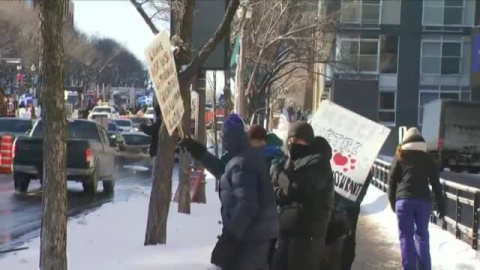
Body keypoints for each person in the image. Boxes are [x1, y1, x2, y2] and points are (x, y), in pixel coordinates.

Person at [181, 114, 279, 270]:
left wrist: (230, 237)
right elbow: (225, 173)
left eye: (223, 135)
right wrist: (199, 152)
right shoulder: (243, 157)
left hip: (250, 237)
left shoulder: (243, 162)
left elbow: (247, 206)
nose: (222, 139)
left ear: (229, 138)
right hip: (254, 234)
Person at [270, 121, 334, 270]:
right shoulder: (288, 162)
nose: (293, 144)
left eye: (298, 140)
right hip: (285, 233)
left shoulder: (319, 162)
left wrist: (280, 176)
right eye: (290, 140)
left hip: (307, 235)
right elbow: (278, 193)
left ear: (307, 141)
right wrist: (282, 183)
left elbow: (299, 189)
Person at [388, 127, 445, 270]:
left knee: (406, 238)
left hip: (403, 201)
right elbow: (436, 184)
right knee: (422, 236)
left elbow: (391, 180)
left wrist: (392, 202)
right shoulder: (427, 158)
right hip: (423, 201)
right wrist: (441, 206)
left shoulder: (400, 155)